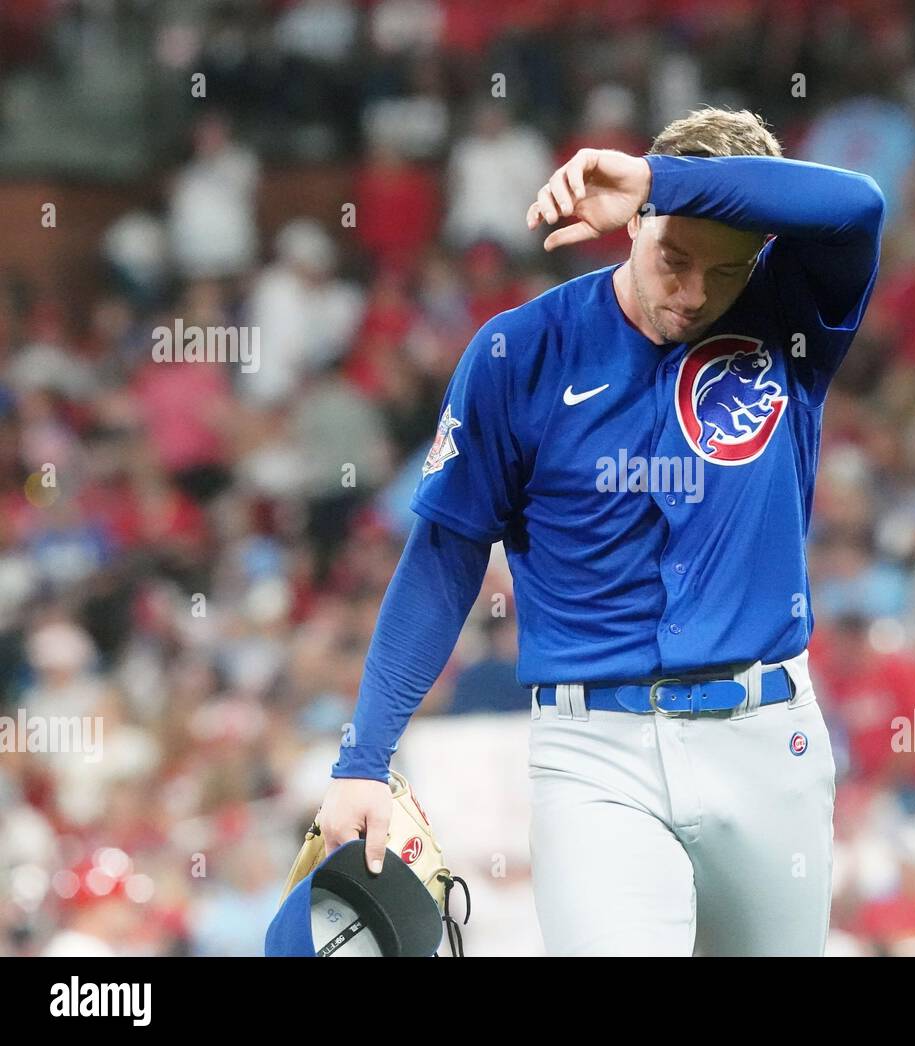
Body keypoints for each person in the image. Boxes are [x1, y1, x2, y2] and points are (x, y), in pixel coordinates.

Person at [317, 108, 885, 956]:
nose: (693, 293)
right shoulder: (521, 352)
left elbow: (859, 205)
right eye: (675, 258)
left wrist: (658, 180)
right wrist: (363, 757)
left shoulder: (791, 314)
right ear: (633, 228)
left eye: (723, 271)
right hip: (595, 754)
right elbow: (443, 560)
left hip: (768, 744)